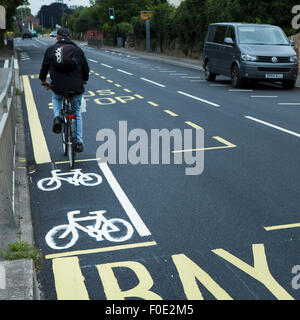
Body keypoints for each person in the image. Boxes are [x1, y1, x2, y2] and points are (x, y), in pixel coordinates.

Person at [39, 27, 89, 152]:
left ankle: (57, 117)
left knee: (56, 98)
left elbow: (45, 67)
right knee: (76, 112)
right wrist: (84, 80)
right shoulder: (77, 50)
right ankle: (79, 142)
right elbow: (85, 68)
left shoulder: (51, 50)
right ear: (70, 36)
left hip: (58, 86)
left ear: (57, 36)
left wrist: (43, 80)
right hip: (76, 86)